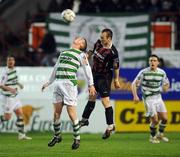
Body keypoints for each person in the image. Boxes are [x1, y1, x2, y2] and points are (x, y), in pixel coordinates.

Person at [42, 37, 96, 150]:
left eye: (81, 39)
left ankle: (77, 138)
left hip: (69, 85)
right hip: (58, 84)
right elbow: (56, 67)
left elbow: (88, 70)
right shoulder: (64, 52)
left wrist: (91, 85)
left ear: (81, 45)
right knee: (56, 114)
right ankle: (57, 136)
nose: (78, 38)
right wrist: (49, 82)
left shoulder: (81, 55)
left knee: (71, 113)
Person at [79, 28, 120, 139]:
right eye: (100, 37)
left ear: (109, 38)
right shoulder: (98, 43)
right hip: (94, 74)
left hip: (104, 77)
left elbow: (116, 68)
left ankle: (110, 125)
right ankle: (85, 120)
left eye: (103, 38)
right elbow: (91, 50)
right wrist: (87, 56)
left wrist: (116, 80)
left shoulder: (113, 53)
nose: (101, 39)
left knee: (105, 101)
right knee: (92, 96)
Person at [131, 54, 170, 144]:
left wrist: (166, 87)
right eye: (151, 60)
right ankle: (152, 137)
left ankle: (160, 134)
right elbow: (134, 84)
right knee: (155, 120)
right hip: (149, 99)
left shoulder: (162, 73)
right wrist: (135, 96)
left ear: (158, 62)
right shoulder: (143, 72)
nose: (152, 62)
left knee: (165, 118)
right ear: (149, 62)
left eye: (154, 60)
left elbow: (166, 83)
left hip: (158, 97)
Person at [0, 55, 32, 140]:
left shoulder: (14, 70)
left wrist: (19, 84)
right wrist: (11, 89)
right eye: (9, 60)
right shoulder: (5, 72)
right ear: (7, 62)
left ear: (14, 61)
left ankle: (21, 135)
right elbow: (1, 85)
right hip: (8, 98)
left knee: (20, 115)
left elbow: (14, 80)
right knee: (7, 118)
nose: (10, 62)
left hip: (15, 97)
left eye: (12, 60)